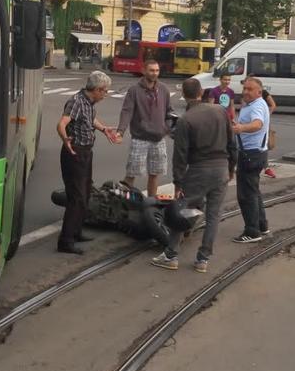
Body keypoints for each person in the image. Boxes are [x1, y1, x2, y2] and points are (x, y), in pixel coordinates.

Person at [151, 78, 237, 273]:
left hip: (199, 169)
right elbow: (232, 143)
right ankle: (203, 259)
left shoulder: (185, 121)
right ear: (201, 92)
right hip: (221, 168)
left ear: (184, 94)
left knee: (183, 210)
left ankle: (171, 255)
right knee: (213, 215)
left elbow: (180, 156)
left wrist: (178, 182)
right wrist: (231, 167)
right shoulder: (220, 112)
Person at [56, 71, 120, 254]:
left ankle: (76, 232)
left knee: (85, 194)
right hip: (74, 152)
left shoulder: (89, 102)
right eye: (105, 91)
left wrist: (104, 129)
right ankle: (65, 242)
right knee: (76, 197)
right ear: (97, 90)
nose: (106, 94)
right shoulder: (76, 101)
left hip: (85, 152)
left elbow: (90, 120)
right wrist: (65, 139)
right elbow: (61, 123)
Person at [116, 59, 174, 197]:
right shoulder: (134, 90)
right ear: (144, 71)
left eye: (157, 70)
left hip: (158, 139)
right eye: (152, 70)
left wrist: (167, 128)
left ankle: (151, 203)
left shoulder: (164, 89)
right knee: (132, 173)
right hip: (139, 139)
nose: (155, 73)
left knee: (154, 174)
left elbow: (169, 112)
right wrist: (120, 131)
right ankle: (122, 202)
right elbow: (127, 111)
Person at [231, 76, 271, 243]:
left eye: (249, 89)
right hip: (255, 153)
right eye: (244, 88)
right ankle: (262, 225)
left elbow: (257, 124)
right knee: (253, 191)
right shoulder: (255, 104)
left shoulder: (257, 106)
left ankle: (252, 231)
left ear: (259, 92)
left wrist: (241, 128)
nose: (245, 92)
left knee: (246, 194)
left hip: (251, 154)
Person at [261, 86, 278, 178]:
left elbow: (273, 104)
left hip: (263, 123)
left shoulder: (264, 93)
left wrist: (267, 115)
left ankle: (266, 168)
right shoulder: (247, 95)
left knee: (264, 145)